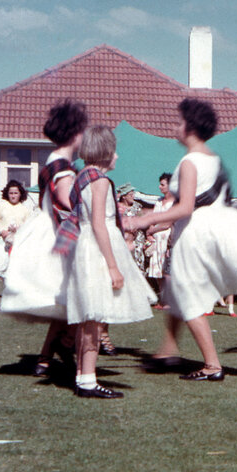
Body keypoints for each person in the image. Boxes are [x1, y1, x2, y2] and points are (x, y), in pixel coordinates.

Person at [125, 98, 237, 381]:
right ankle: (168, 350)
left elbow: (185, 207)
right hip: (214, 228)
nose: (176, 127)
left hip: (195, 232)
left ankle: (212, 365)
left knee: (187, 295)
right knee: (177, 293)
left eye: (179, 122)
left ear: (190, 127)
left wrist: (143, 220)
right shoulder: (214, 160)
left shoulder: (189, 162)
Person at [56, 126, 155, 399]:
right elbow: (99, 224)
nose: (117, 156)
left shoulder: (82, 178)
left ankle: (84, 375)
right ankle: (87, 381)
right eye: (114, 150)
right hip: (97, 252)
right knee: (94, 318)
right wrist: (113, 266)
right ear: (104, 152)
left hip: (86, 248)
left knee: (91, 318)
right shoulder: (98, 181)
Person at [1, 100, 88, 377]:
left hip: (48, 231)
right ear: (75, 133)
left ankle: (45, 358)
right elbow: (67, 202)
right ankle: (64, 345)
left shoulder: (56, 161)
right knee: (78, 297)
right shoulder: (63, 166)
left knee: (64, 302)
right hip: (60, 234)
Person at [0, 180, 32, 312]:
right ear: (7, 194)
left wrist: (20, 231)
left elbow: (28, 227)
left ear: (20, 194)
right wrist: (1, 231)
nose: (13, 195)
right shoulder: (1, 206)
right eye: (11, 193)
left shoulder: (25, 209)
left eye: (16, 193)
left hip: (17, 245)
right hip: (2, 243)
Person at [145, 172, 175, 306]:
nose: (159, 187)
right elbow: (153, 218)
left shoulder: (175, 202)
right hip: (155, 240)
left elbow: (168, 222)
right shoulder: (158, 202)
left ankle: (169, 300)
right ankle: (163, 299)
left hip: (166, 239)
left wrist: (152, 230)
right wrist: (149, 232)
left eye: (162, 184)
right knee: (157, 272)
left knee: (166, 271)